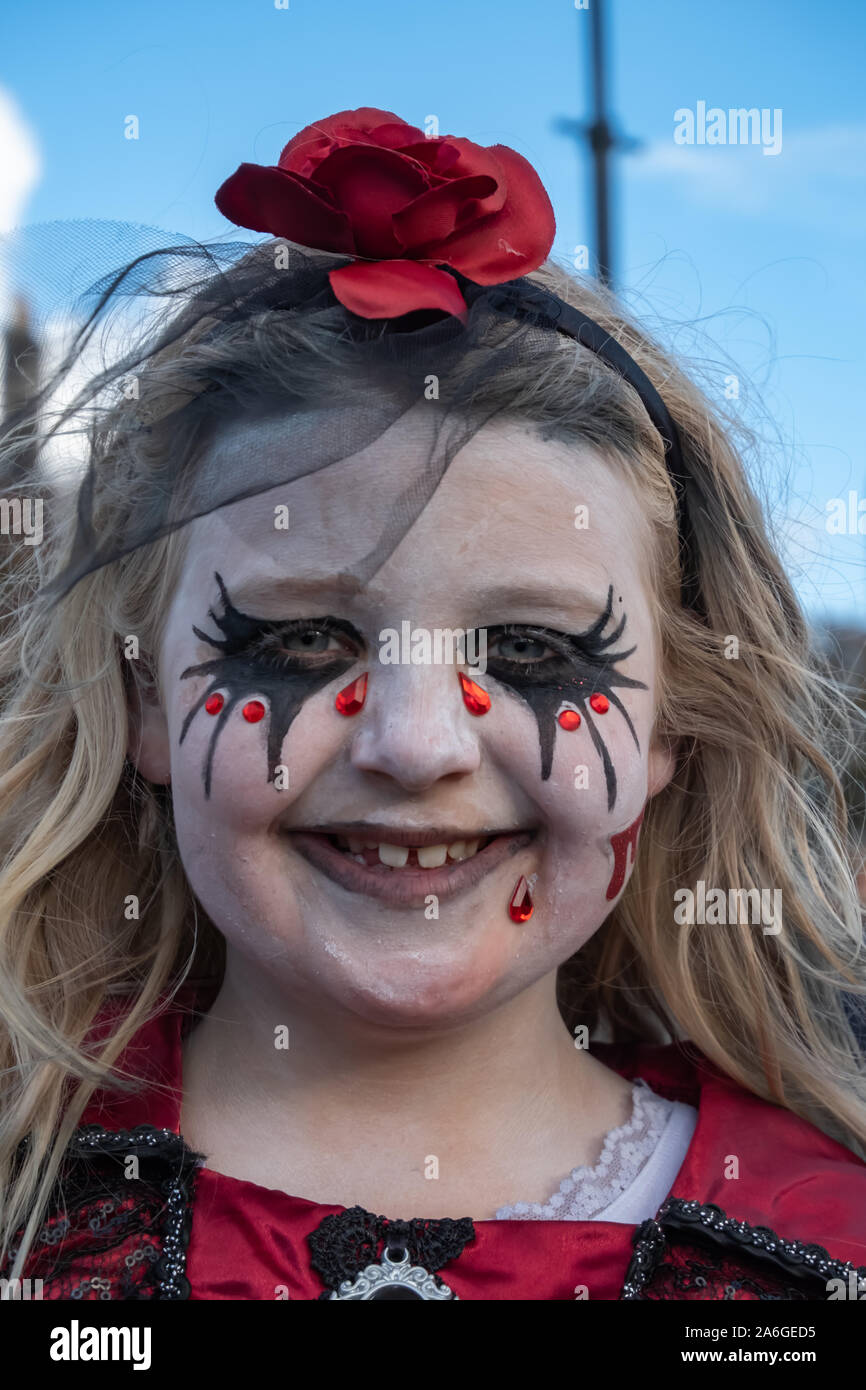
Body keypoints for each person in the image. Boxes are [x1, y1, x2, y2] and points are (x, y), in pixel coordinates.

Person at [1, 106, 865, 1302]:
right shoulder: (25, 1212)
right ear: (144, 700)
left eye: (528, 647)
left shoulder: (823, 1248)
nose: (415, 743)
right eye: (300, 638)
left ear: (670, 722)